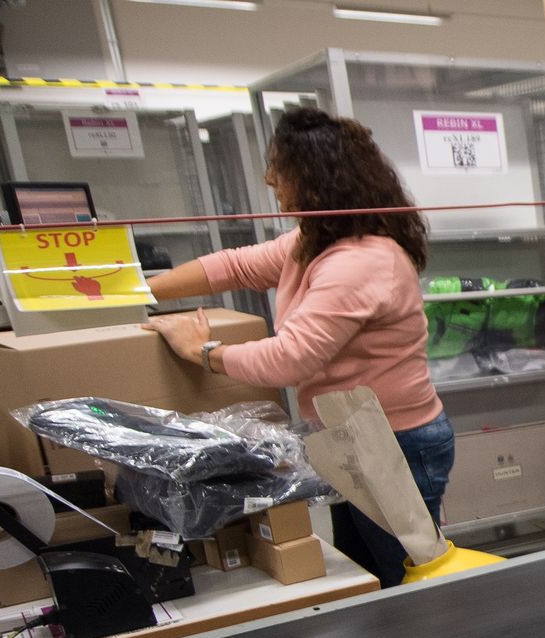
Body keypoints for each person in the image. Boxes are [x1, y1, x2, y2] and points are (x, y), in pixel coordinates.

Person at [143, 106, 451, 588]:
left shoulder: (361, 261)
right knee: (368, 572)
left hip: (394, 445)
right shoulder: (315, 243)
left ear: (315, 178)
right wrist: (138, 295)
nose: (270, 180)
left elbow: (290, 358)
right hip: (355, 438)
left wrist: (201, 352)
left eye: (279, 169)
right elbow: (236, 266)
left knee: (409, 577)